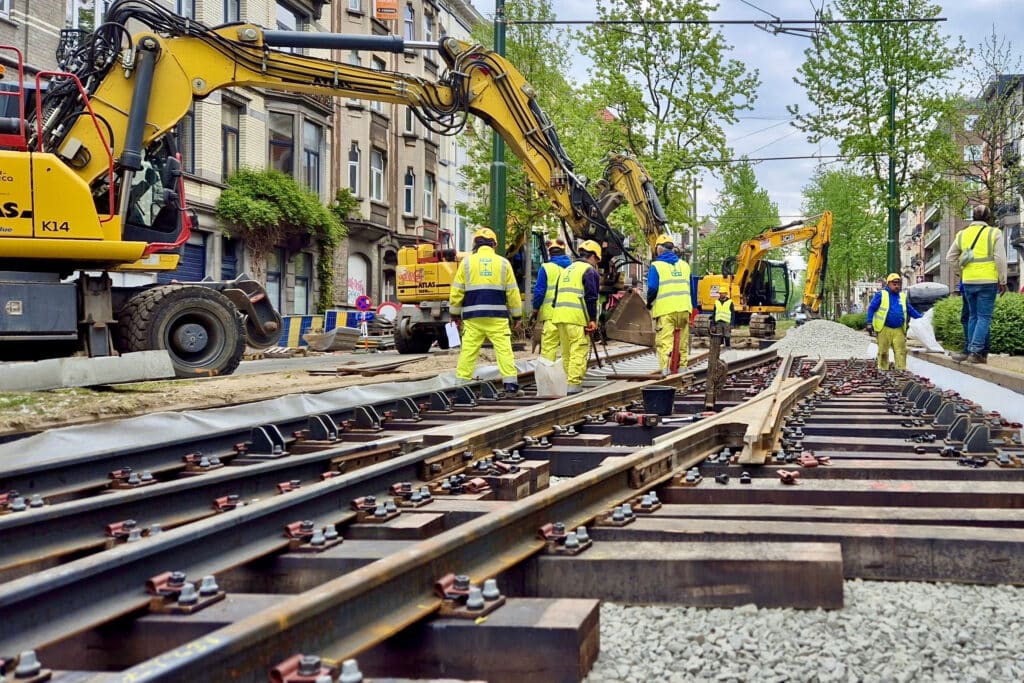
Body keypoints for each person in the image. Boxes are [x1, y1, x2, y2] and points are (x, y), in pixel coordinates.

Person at [450, 227, 524, 395]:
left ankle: (461, 386)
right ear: (494, 245)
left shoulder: (466, 263)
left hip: (473, 316)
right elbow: (513, 292)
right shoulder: (504, 263)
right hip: (497, 316)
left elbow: (457, 291)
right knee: (504, 349)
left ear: (475, 245)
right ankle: (511, 385)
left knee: (468, 350)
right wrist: (517, 316)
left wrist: (455, 314)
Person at [946, 205, 1007, 363]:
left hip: (968, 281)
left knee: (973, 316)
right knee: (984, 317)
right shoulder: (995, 233)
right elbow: (1000, 259)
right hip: (988, 281)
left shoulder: (962, 234)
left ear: (973, 217)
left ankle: (974, 350)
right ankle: (975, 352)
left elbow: (950, 257)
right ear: (988, 218)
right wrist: (1003, 280)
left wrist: (961, 272)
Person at [550, 240, 602, 395]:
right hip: (577, 317)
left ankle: (569, 383)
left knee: (566, 352)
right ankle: (574, 385)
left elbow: (556, 296)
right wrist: (592, 319)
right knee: (578, 350)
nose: (596, 263)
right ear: (592, 256)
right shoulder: (589, 270)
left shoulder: (567, 270)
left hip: (560, 316)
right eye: (597, 260)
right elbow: (591, 297)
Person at [646, 235, 693, 375]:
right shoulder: (685, 265)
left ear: (659, 250)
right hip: (684, 308)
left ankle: (665, 371)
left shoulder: (656, 266)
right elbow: (692, 289)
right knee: (683, 342)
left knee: (665, 342)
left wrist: (649, 303)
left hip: (666, 310)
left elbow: (653, 288)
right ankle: (682, 369)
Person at [866, 273, 922, 371]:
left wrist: (921, 318)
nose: (897, 286)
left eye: (898, 284)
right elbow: (871, 308)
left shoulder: (902, 296)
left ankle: (901, 370)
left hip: (899, 329)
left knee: (901, 351)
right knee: (883, 352)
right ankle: (883, 370)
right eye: (894, 283)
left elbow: (910, 310)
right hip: (884, 328)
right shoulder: (881, 294)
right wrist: (869, 323)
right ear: (888, 284)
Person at [531, 238, 572, 361]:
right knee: (567, 348)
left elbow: (539, 291)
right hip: (569, 315)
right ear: (564, 251)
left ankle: (548, 375)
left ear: (549, 253)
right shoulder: (573, 268)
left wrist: (535, 309)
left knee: (549, 347)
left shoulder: (546, 268)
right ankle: (569, 376)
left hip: (551, 315)